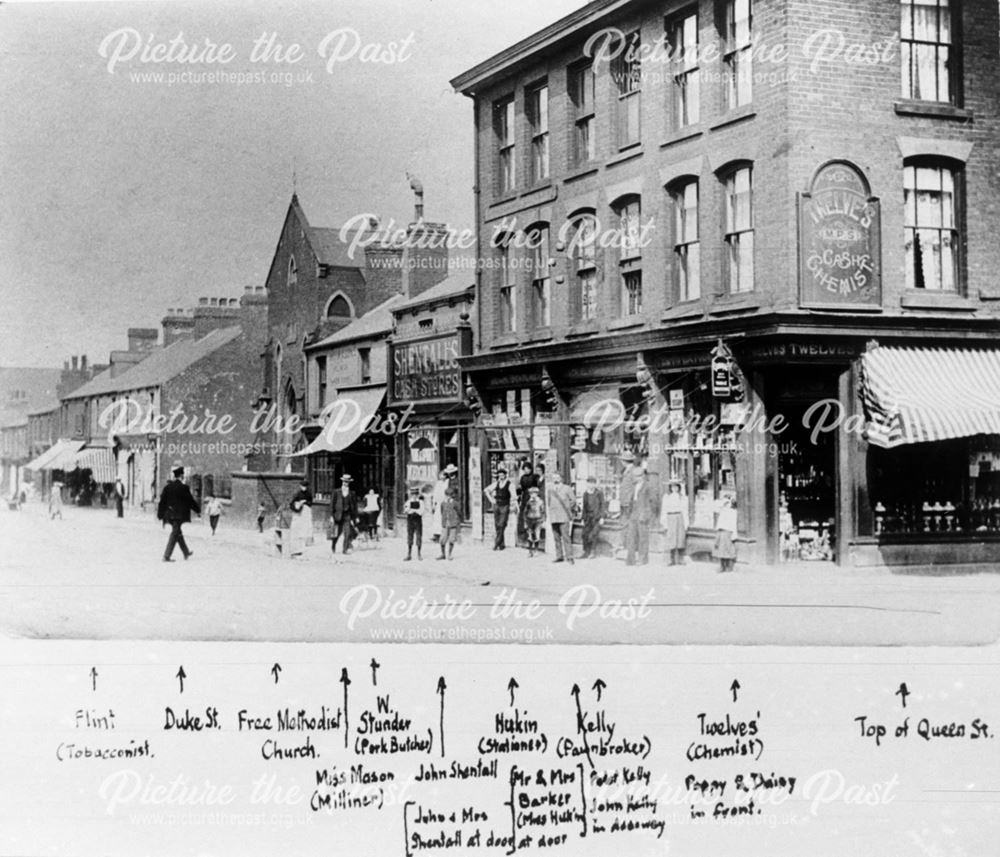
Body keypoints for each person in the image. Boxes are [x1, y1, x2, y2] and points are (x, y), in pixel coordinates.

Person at [157, 462, 200, 562]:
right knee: (174, 534)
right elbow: (190, 501)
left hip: (169, 515)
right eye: (183, 476)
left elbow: (162, 502)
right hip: (178, 515)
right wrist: (198, 510)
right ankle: (166, 556)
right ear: (181, 476)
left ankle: (186, 552)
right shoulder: (184, 488)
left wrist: (160, 514)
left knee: (178, 533)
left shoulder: (167, 487)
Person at [624, 469, 655, 566]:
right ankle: (630, 559)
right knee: (631, 537)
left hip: (642, 514)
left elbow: (653, 502)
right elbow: (630, 500)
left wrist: (647, 515)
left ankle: (643, 559)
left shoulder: (648, 486)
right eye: (635, 476)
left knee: (643, 538)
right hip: (633, 512)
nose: (636, 478)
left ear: (642, 476)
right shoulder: (634, 486)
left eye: (638, 476)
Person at [546, 472, 576, 564]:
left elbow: (573, 500)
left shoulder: (567, 488)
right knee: (556, 537)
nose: (556, 479)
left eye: (557, 477)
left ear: (561, 478)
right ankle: (559, 556)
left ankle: (569, 557)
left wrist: (567, 507)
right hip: (554, 516)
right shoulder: (550, 489)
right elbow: (549, 501)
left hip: (564, 516)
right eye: (554, 477)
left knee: (566, 537)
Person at [660, 480, 688, 566]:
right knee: (671, 537)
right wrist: (664, 522)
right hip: (670, 517)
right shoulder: (667, 497)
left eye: (676, 487)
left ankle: (680, 558)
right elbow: (664, 509)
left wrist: (686, 523)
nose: (674, 488)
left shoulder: (682, 497)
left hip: (679, 516)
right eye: (672, 487)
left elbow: (685, 509)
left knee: (680, 538)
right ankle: (671, 559)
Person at [484, 466, 513, 551]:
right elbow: (486, 490)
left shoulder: (509, 484)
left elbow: (513, 496)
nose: (501, 476)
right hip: (497, 505)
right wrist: (491, 500)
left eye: (502, 475)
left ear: (505, 475)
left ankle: (496, 543)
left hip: (505, 505)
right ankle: (502, 544)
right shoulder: (496, 483)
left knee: (502, 524)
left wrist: (512, 504)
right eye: (499, 475)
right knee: (497, 524)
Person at [330, 474, 358, 555]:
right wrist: (331, 516)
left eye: (347, 482)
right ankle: (333, 545)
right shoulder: (336, 492)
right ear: (342, 482)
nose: (346, 483)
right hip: (338, 515)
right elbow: (332, 505)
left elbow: (354, 506)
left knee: (347, 533)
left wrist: (355, 517)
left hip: (347, 515)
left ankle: (344, 549)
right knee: (337, 533)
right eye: (345, 481)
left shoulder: (352, 493)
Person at [581, 476, 606, 559]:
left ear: (595, 484)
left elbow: (603, 505)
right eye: (589, 483)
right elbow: (584, 507)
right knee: (585, 534)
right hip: (588, 517)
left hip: (596, 517)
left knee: (593, 534)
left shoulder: (599, 493)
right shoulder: (585, 494)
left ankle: (592, 551)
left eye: (592, 483)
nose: (590, 485)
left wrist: (602, 517)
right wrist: (582, 518)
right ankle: (586, 551)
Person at [288, 480, 313, 557]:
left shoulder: (309, 494)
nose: (304, 488)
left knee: (305, 529)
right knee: (296, 530)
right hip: (298, 514)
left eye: (305, 486)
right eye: (303, 486)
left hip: (305, 514)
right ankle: (294, 548)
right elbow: (291, 504)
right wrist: (297, 509)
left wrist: (305, 503)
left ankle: (302, 547)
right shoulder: (297, 494)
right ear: (300, 486)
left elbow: (311, 503)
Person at [430, 466, 455, 542]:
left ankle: (442, 535)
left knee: (443, 518)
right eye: (440, 475)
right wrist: (434, 503)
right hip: (438, 503)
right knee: (437, 518)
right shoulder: (438, 483)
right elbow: (435, 493)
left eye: (443, 475)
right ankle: (436, 534)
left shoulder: (448, 482)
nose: (441, 477)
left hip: (445, 501)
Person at [715, 495, 738, 573]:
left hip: (729, 532)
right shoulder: (722, 511)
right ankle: (722, 565)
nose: (727, 505)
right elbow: (716, 507)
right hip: (721, 531)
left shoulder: (733, 512)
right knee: (721, 549)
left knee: (728, 549)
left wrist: (734, 534)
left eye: (728, 503)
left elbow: (734, 524)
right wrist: (723, 502)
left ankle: (728, 566)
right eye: (726, 503)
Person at [403, 485, 426, 561]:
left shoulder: (421, 502)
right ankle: (409, 554)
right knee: (410, 536)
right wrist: (411, 510)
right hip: (410, 520)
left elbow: (421, 511)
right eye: (413, 494)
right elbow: (406, 510)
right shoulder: (408, 502)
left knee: (419, 536)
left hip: (418, 520)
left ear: (418, 495)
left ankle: (419, 554)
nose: (414, 496)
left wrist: (413, 510)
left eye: (416, 494)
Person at [438, 487, 460, 561]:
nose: (448, 497)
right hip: (445, 523)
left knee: (451, 539)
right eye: (447, 495)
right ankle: (443, 554)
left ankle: (449, 554)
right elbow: (442, 512)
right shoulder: (443, 503)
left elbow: (458, 512)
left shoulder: (455, 503)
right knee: (443, 539)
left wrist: (456, 520)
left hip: (453, 523)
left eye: (450, 495)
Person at [523, 486, 545, 558]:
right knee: (530, 535)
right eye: (531, 494)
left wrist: (543, 520)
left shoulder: (540, 502)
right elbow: (525, 512)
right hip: (529, 519)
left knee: (537, 534)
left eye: (534, 493)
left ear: (537, 494)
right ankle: (530, 551)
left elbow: (543, 511)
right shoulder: (528, 502)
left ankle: (536, 550)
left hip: (538, 520)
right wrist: (525, 521)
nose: (533, 495)